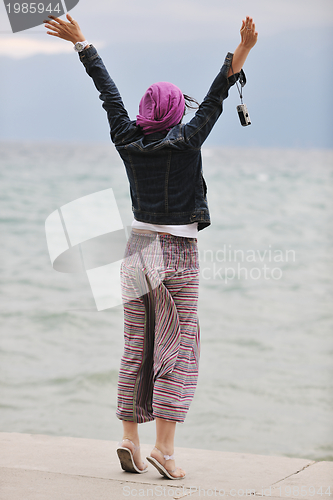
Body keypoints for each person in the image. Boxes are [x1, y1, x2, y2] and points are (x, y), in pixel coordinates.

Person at [44, 13, 258, 479]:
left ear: (146, 113)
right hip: (176, 251)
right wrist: (243, 51)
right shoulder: (187, 139)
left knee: (135, 345)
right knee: (178, 347)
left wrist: (82, 43)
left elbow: (109, 95)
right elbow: (218, 94)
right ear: (176, 113)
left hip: (136, 249)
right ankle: (164, 449)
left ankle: (128, 438)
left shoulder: (127, 138)